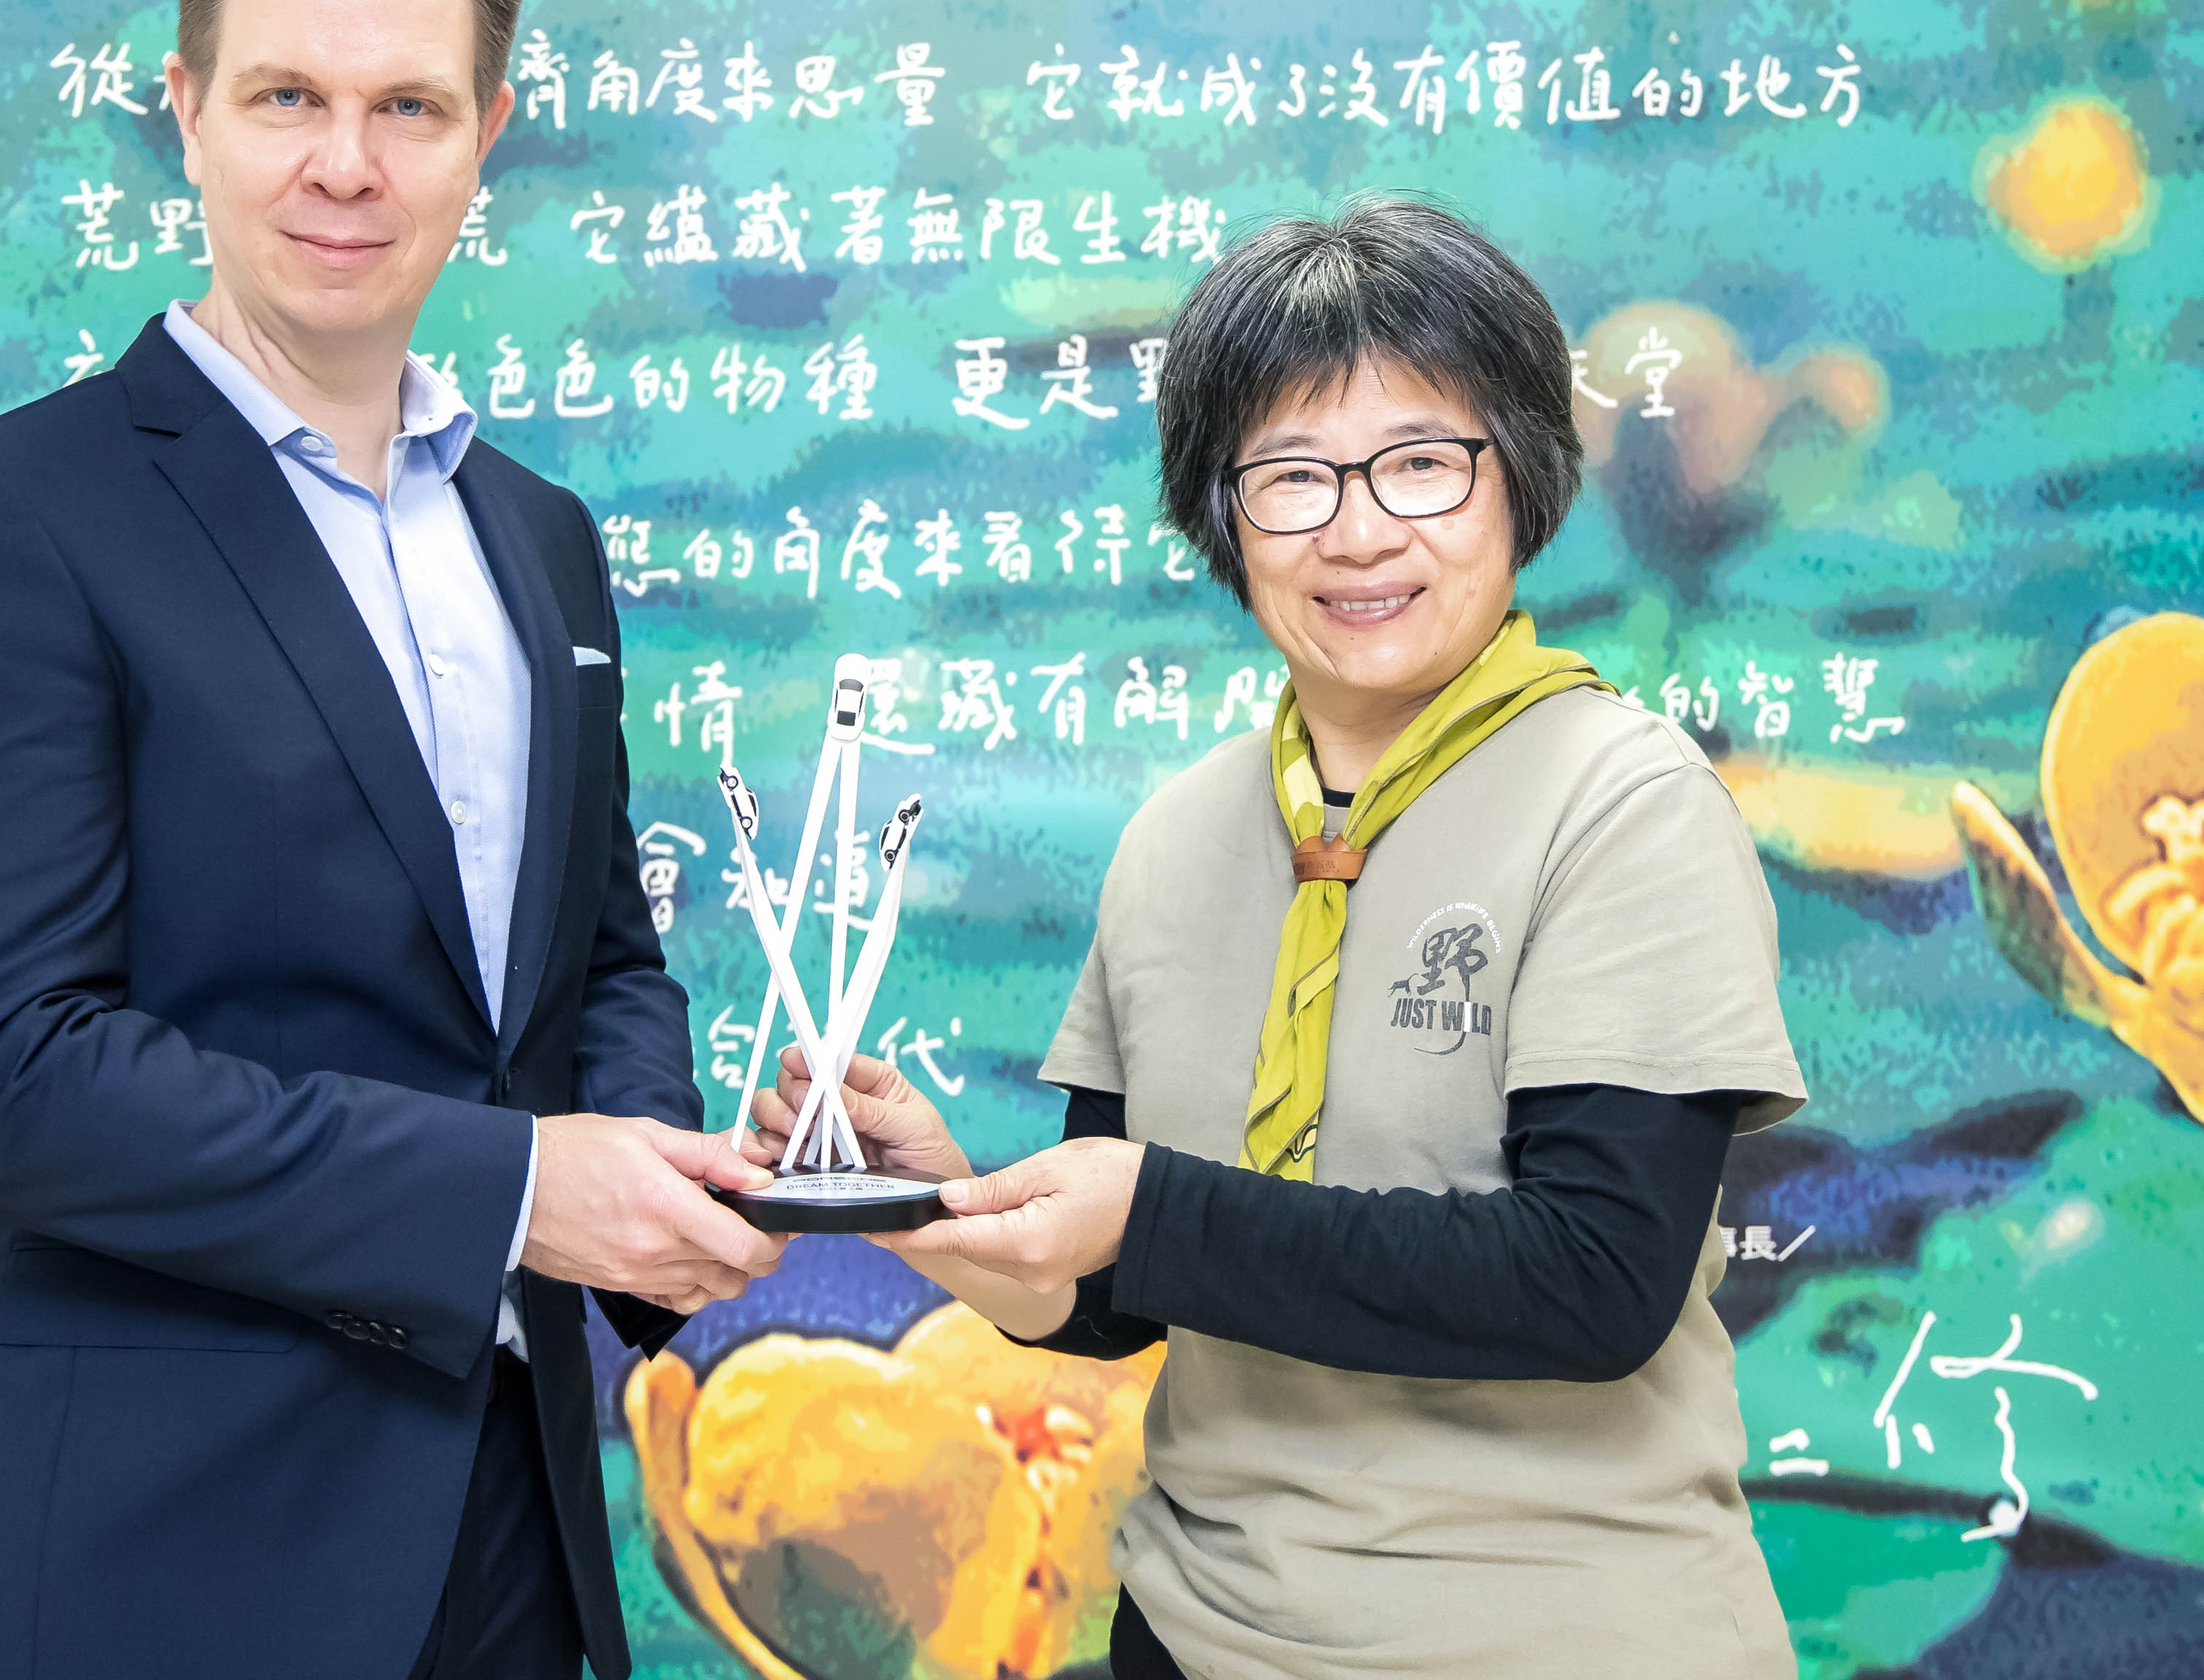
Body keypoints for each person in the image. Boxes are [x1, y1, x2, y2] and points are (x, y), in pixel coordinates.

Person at [0, 0, 782, 1680]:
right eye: (286, 98)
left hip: (512, 1535)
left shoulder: (538, 535)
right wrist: (521, 1191)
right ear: (185, 111)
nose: (346, 164)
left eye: (406, 106)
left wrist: (669, 1181)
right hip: (151, 1564)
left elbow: (594, 966)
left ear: (484, 136)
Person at [750, 196, 1808, 1680]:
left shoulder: (1624, 802)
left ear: (1521, 479)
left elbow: (1594, 1279)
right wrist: (942, 1205)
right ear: (1221, 516)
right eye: (1292, 477)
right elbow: (1120, 1300)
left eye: (1422, 464)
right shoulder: (1177, 835)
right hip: (1198, 1635)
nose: (1358, 531)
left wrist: (1144, 1210)